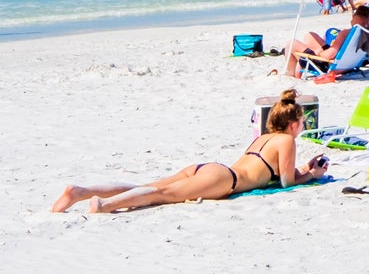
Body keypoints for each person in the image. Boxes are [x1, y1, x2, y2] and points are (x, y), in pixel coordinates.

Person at [52, 89, 328, 214]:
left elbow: (275, 171)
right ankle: (104, 205)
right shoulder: (287, 141)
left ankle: (82, 191)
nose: (302, 125)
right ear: (293, 124)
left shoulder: (265, 138)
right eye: (302, 121)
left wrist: (304, 168)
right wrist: (312, 176)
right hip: (225, 181)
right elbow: (285, 182)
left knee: (148, 186)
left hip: (211, 168)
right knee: (162, 196)